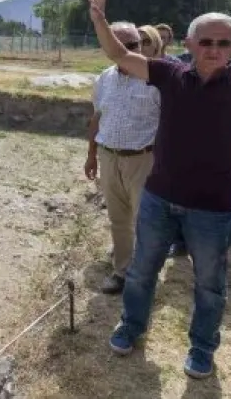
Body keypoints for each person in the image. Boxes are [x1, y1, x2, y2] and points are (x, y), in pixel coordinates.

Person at [85, 0, 231, 379]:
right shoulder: (169, 75)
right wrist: (99, 17)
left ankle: (202, 348)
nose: (214, 49)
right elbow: (118, 53)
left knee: (209, 285)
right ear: (189, 41)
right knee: (141, 271)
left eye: (224, 42)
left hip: (212, 207)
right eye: (206, 41)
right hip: (159, 197)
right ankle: (131, 326)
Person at [85, 22, 161, 295]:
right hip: (109, 157)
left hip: (144, 160)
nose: (128, 51)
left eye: (133, 45)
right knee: (118, 219)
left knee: (146, 222)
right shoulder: (104, 78)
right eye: (121, 46)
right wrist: (91, 155)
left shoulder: (156, 79)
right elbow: (97, 118)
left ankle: (145, 278)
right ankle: (122, 272)